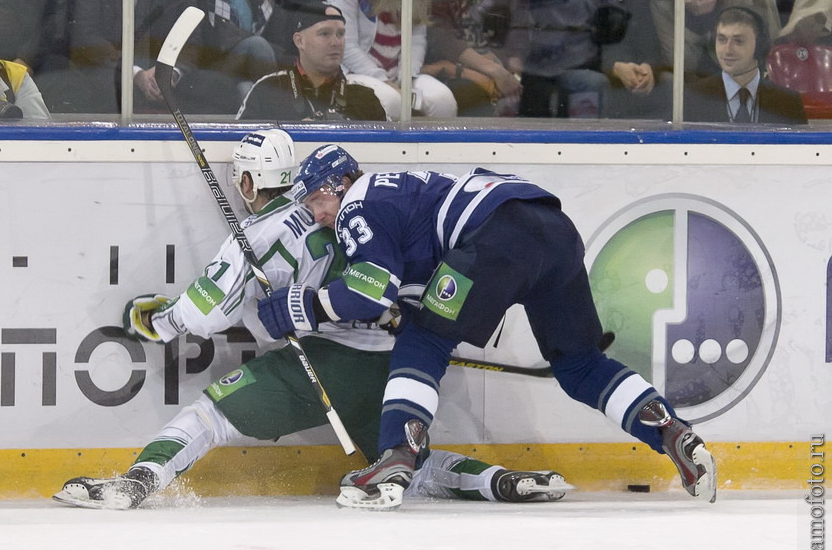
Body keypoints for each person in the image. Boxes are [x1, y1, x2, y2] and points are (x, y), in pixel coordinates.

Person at [52, 129, 571, 510]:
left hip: (327, 362)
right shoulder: (366, 208)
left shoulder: (262, 235)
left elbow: (204, 315)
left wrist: (158, 322)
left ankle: (138, 481)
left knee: (209, 415)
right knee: (400, 461)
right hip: (396, 365)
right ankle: (498, 480)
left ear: (252, 181)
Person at [255, 145, 718, 510]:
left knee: (425, 339)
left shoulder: (358, 202)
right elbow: (417, 274)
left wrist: (303, 306)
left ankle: (396, 457)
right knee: (579, 365)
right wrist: (408, 304)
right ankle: (671, 431)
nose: (318, 214)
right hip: (554, 231)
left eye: (318, 199)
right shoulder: (400, 190)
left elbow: (370, 288)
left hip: (493, 239)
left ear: (340, 183)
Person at [68, 0, 234, 114]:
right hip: (111, 70)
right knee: (108, 88)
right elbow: (85, 35)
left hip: (164, 75)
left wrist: (171, 73)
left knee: (219, 87)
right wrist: (135, 73)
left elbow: (193, 39)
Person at [519, 0, 670, 120]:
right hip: (558, 70)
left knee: (668, 85)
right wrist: (614, 66)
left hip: (619, 68)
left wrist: (647, 67)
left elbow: (647, 35)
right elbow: (565, 41)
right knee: (593, 83)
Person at [326, 0, 458, 120]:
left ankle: (426, 146)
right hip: (357, 74)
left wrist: (407, 77)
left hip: (399, 75)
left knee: (443, 101)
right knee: (391, 101)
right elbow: (346, 45)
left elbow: (416, 38)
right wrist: (384, 81)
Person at [421, 0, 530, 117]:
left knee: (537, 90)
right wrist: (492, 71)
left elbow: (520, 35)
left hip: (499, 71)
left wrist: (511, 72)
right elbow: (439, 38)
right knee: (472, 93)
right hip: (448, 71)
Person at [237, 2, 387, 120]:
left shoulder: (364, 97)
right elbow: (241, 147)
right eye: (325, 34)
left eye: (340, 34)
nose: (336, 42)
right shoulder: (267, 90)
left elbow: (389, 155)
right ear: (299, 41)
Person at [684, 5, 807, 123]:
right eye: (722, 39)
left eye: (738, 41)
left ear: (759, 46)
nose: (727, 50)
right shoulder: (691, 98)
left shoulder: (789, 102)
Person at [197, 0, 290, 105]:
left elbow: (277, 40)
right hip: (216, 65)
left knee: (246, 90)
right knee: (257, 45)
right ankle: (277, 108)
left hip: (255, 68)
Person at [650, 0, 754, 81]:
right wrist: (695, 20)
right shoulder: (662, 3)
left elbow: (737, 58)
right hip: (684, 82)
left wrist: (708, 18)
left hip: (730, 79)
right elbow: (683, 63)